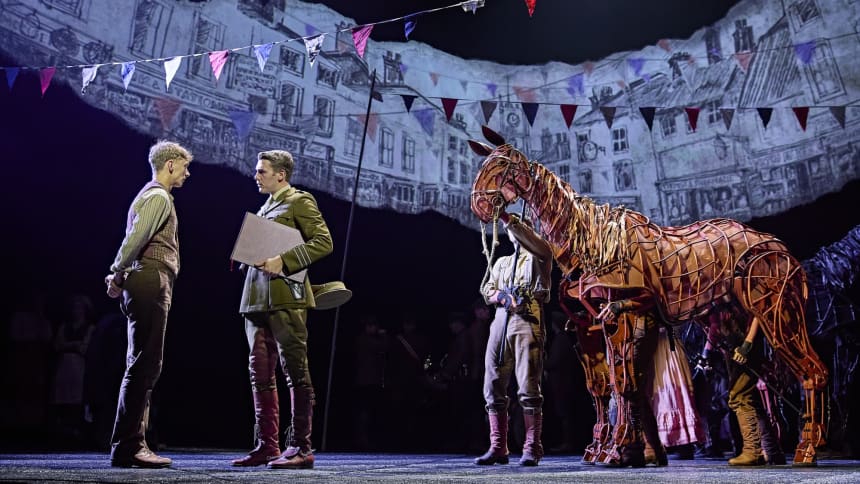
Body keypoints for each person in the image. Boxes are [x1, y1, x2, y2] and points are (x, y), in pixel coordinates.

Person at [232, 150, 333, 470]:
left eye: (262, 171)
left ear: (281, 174)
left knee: (295, 370)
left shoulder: (299, 201)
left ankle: (301, 446)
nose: (256, 176)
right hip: (256, 298)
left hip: (286, 297)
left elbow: (323, 241)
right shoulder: (267, 206)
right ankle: (267, 445)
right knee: (259, 373)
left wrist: (284, 260)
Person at [104, 140, 192, 468]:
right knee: (145, 365)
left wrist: (121, 274)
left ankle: (129, 444)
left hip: (147, 279)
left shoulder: (150, 195)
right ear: (170, 164)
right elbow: (136, 238)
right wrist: (117, 272)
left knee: (141, 364)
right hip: (151, 278)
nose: (187, 173)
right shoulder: (158, 197)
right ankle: (129, 445)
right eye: (184, 167)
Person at [474, 213, 552, 466]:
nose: (512, 231)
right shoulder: (502, 262)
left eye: (518, 228)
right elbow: (487, 289)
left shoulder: (539, 255)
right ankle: (498, 447)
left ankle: (532, 447)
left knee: (528, 384)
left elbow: (539, 247)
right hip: (501, 319)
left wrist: (510, 220)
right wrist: (501, 297)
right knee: (492, 383)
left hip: (527, 317)